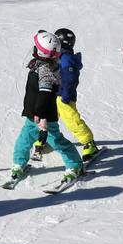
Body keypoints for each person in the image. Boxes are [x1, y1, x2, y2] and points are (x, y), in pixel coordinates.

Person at [10, 31, 84, 182]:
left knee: (57, 142)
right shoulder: (40, 64)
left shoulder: (46, 71)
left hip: (44, 116)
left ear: (40, 52)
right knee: (23, 140)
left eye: (36, 46)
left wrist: (41, 117)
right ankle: (19, 163)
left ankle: (75, 165)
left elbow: (44, 95)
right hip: (33, 114)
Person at [32, 28, 98, 162]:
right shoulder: (58, 55)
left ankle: (89, 143)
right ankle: (46, 139)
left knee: (72, 120)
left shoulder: (66, 59)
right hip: (54, 94)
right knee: (49, 118)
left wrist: (66, 96)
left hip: (64, 97)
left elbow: (70, 79)